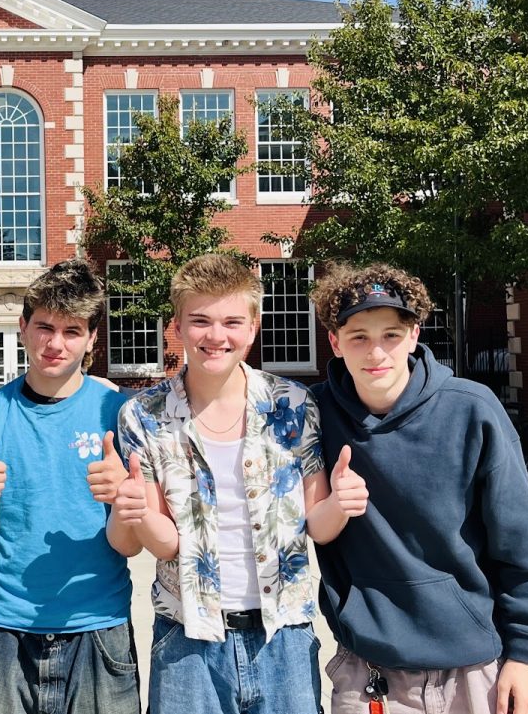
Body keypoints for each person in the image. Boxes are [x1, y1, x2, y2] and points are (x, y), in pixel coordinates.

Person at [109, 253, 360, 714]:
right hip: (188, 640)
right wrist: (138, 512)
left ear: (253, 326)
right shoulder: (144, 416)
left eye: (231, 321)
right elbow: (165, 544)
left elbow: (318, 527)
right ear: (178, 325)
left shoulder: (292, 405)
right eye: (200, 321)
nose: (216, 336)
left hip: (283, 636)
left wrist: (341, 502)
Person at [308, 263, 528, 714]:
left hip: (472, 666)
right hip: (368, 667)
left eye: (391, 335)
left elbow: (520, 545)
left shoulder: (472, 410)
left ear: (414, 335)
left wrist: (524, 655)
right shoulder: (314, 416)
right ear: (335, 342)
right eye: (359, 336)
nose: (375, 352)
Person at [0, 259, 139, 714]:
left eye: (72, 331)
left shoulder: (117, 414)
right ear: (22, 327)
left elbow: (130, 546)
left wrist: (122, 500)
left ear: (93, 338)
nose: (55, 344)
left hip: (99, 629)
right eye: (44, 327)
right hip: (5, 629)